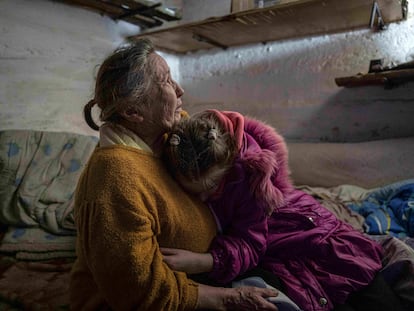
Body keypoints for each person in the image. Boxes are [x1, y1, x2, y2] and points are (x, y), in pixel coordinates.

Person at [69, 39, 280, 311]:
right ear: (133, 111)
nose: (180, 90)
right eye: (167, 81)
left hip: (214, 268)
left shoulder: (168, 135)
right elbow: (140, 293)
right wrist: (230, 298)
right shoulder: (116, 177)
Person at [162, 109, 407, 311]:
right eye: (194, 193)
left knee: (370, 291)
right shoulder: (193, 152)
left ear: (228, 164)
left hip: (317, 237)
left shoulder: (248, 178)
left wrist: (204, 261)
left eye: (212, 186)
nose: (203, 198)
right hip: (290, 244)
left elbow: (250, 241)